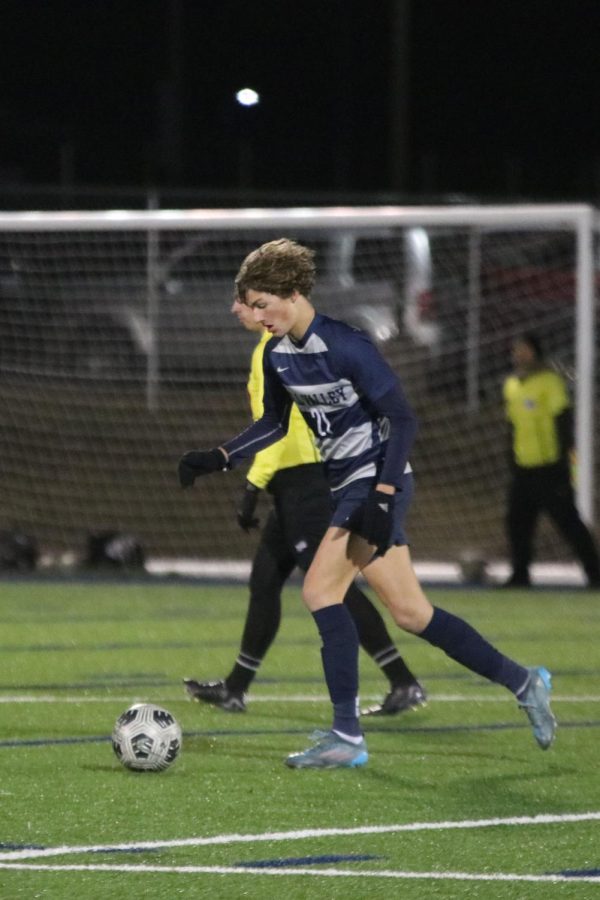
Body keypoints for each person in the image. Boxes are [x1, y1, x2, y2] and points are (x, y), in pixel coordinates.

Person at [178, 238, 556, 769]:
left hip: (377, 482)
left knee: (319, 591)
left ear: (292, 293)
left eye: (263, 303)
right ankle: (525, 681)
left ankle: (346, 736)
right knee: (411, 612)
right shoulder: (279, 354)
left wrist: (381, 494)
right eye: (252, 305)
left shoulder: (346, 344)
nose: (256, 315)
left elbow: (402, 418)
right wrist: (217, 457)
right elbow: (274, 424)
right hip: (349, 487)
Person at [183, 295, 426, 715]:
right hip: (291, 483)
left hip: (305, 482)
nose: (236, 310)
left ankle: (402, 680)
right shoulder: (277, 349)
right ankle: (236, 687)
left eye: (243, 302)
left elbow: (280, 430)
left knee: (332, 590)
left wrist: (252, 485)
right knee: (264, 582)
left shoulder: (275, 352)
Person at [502, 332, 600, 589]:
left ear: (535, 351)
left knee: (569, 523)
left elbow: (563, 422)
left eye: (523, 349)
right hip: (523, 469)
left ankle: (595, 574)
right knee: (517, 523)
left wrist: (564, 462)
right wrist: (511, 459)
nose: (518, 354)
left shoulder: (550, 382)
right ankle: (520, 575)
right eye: (515, 350)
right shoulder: (512, 385)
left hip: (550, 468)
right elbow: (512, 426)